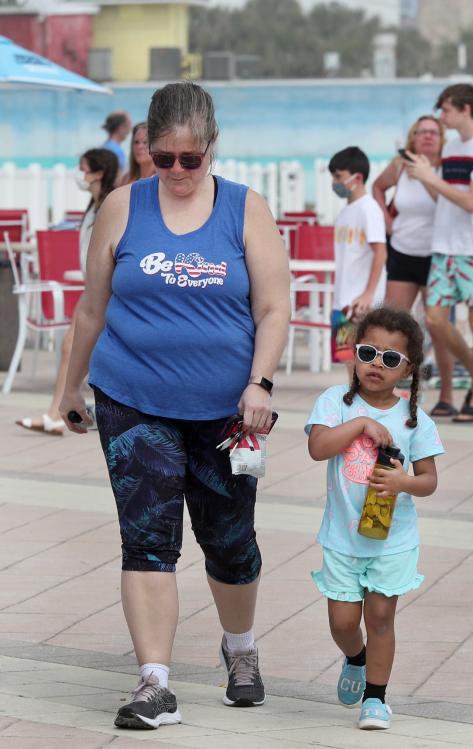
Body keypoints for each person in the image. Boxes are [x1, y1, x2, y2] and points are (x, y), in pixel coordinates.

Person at [59, 81, 291, 729]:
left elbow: (274, 305)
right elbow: (91, 308)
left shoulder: (246, 208)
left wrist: (261, 383)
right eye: (165, 159)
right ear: (148, 151)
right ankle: (154, 681)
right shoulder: (123, 206)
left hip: (227, 410)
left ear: (213, 148)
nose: (179, 172)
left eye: (192, 159)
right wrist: (68, 391)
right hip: (132, 398)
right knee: (147, 539)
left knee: (230, 540)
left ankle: (239, 648)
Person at [305, 307, 443, 731]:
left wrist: (402, 482)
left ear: (409, 368)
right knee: (344, 622)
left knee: (380, 618)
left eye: (390, 358)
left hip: (392, 540)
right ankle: (355, 658)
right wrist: (362, 423)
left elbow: (429, 481)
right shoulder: (335, 402)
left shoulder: (414, 419)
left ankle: (377, 698)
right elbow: (319, 447)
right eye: (368, 353)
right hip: (343, 538)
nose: (376, 365)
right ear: (353, 353)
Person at [406, 83, 473, 423]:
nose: (441, 116)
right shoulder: (453, 149)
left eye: (446, 110)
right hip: (444, 246)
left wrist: (428, 178)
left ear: (466, 109)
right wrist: (425, 179)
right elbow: (447, 198)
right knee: (434, 319)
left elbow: (471, 201)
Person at [15, 148, 119, 436]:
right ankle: (57, 411)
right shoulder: (94, 205)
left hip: (102, 292)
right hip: (91, 288)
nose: (80, 175)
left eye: (84, 169)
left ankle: (62, 412)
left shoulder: (111, 205)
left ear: (98, 172)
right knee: (70, 349)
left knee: (75, 349)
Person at [371, 116, 457, 416]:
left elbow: (449, 201)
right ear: (413, 137)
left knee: (439, 327)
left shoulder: (447, 165)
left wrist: (428, 177)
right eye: (422, 133)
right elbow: (377, 188)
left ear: (442, 138)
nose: (428, 138)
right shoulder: (400, 164)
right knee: (392, 325)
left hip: (438, 254)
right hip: (404, 252)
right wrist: (386, 218)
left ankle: (446, 394)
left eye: (434, 133)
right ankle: (386, 391)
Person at [330, 147, 387, 322]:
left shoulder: (368, 209)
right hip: (342, 303)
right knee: (338, 350)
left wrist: (369, 294)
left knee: (359, 350)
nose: (334, 182)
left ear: (358, 177)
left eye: (338, 176)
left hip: (361, 306)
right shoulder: (344, 214)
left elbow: (381, 252)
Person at [101, 111, 131, 175]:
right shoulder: (117, 151)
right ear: (120, 128)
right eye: (128, 126)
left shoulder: (103, 147)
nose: (129, 130)